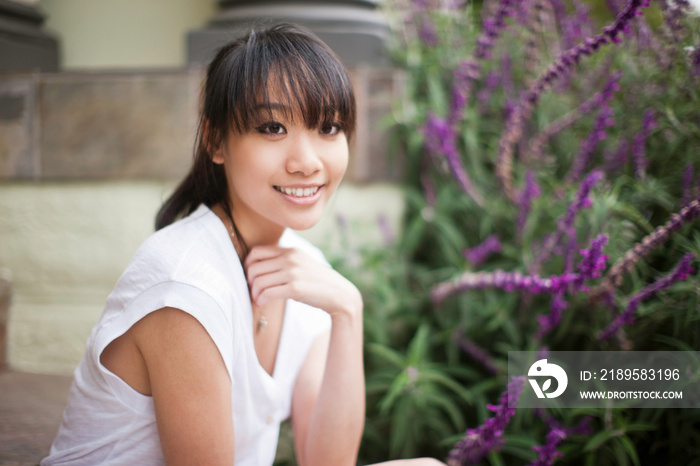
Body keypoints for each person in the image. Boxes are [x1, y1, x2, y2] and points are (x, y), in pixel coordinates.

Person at [42, 23, 446, 466]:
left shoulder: (304, 271)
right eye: (272, 127)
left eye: (328, 127)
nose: (307, 162)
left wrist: (347, 309)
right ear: (216, 140)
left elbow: (327, 461)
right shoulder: (186, 284)